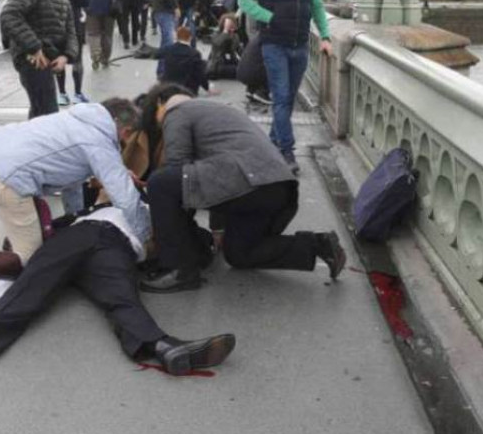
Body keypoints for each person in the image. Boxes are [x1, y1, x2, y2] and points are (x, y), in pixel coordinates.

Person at [0, 206, 236, 376]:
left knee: (118, 297)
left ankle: (164, 346)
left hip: (115, 247)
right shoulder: (100, 206)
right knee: (37, 283)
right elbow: (35, 234)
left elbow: (200, 245)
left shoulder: (159, 209)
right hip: (89, 235)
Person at [0, 98, 151, 305]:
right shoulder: (98, 141)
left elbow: (72, 178)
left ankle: (14, 240)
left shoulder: (81, 118)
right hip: (7, 176)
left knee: (30, 224)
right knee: (34, 260)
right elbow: (125, 197)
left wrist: (77, 222)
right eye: (128, 133)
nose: (126, 139)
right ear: (122, 126)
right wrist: (142, 240)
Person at [138, 87, 345, 293]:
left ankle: (179, 269)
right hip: (276, 187)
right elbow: (211, 175)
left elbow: (180, 173)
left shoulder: (177, 111)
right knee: (239, 253)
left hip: (249, 182)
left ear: (159, 102)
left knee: (160, 183)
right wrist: (217, 229)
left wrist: (173, 235)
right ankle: (318, 245)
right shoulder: (212, 112)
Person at [238, 0, 333, 175]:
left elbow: (317, 6)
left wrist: (324, 36)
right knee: (281, 97)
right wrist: (270, 18)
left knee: (288, 99)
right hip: (274, 44)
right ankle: (286, 151)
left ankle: (272, 143)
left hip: (300, 44)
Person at [0, 0, 78, 119]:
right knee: (47, 114)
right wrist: (33, 47)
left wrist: (66, 55)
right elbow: (9, 14)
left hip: (50, 57)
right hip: (33, 60)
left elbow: (70, 26)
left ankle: (31, 146)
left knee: (40, 114)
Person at [57, 0, 89, 105]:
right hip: (74, 24)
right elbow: (84, 1)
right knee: (77, 60)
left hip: (57, 25)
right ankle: (77, 93)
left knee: (59, 59)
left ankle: (62, 94)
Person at [157, 26, 212, 96]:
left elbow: (158, 53)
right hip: (187, 89)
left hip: (168, 87)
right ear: (190, 38)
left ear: (176, 37)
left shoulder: (168, 49)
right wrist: (207, 88)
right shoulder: (194, 53)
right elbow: (200, 74)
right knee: (201, 64)